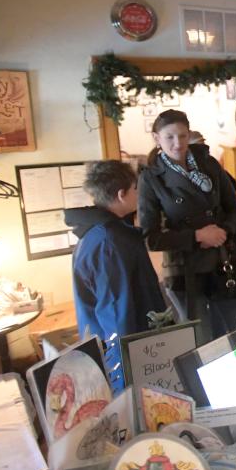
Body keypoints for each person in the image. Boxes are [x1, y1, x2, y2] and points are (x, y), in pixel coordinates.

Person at [138, 109, 236, 340]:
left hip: (224, 259)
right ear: (157, 139)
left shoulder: (208, 164)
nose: (177, 143)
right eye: (169, 137)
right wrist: (197, 236)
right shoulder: (151, 178)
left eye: (182, 136)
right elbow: (152, 237)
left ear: (189, 135)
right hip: (185, 269)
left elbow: (235, 208)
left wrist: (224, 231)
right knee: (202, 338)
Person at [65, 160, 166, 392]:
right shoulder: (108, 242)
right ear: (122, 194)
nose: (138, 193)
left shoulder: (105, 233)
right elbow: (115, 310)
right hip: (121, 355)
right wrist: (126, 371)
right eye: (135, 188)